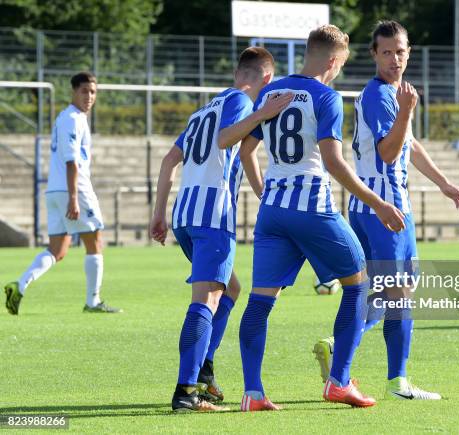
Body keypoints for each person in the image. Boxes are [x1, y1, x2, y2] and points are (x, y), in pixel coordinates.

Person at [238, 24, 406, 412]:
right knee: (359, 283)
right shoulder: (325, 96)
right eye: (340, 65)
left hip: (271, 213)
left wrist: (264, 191)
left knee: (260, 301)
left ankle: (253, 393)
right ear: (332, 61)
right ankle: (339, 381)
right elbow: (332, 162)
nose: (337, 72)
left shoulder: (272, 92)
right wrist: (378, 203)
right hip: (312, 209)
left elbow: (247, 152)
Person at [313, 20, 459, 400]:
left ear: (409, 51)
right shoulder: (382, 96)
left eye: (400, 51)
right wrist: (405, 112)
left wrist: (444, 183)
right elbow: (388, 152)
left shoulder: (393, 94)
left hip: (369, 206)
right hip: (387, 208)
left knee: (378, 292)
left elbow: (410, 146)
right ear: (374, 55)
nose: (395, 59)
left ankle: (340, 353)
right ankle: (397, 381)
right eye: (386, 52)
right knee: (398, 294)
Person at [149, 46, 293, 412]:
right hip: (212, 215)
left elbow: (170, 159)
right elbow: (226, 140)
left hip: (185, 214)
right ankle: (186, 391)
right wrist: (264, 112)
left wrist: (159, 213)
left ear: (236, 73)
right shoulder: (243, 104)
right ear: (266, 79)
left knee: (230, 287)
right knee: (208, 298)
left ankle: (205, 369)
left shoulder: (202, 110)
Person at [4, 72, 121, 315]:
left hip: (54, 190)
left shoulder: (66, 117)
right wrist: (74, 198)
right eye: (84, 91)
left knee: (58, 250)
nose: (89, 96)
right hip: (74, 189)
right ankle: (93, 302)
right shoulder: (73, 118)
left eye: (93, 92)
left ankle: (20, 285)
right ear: (73, 92)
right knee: (95, 242)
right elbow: (71, 161)